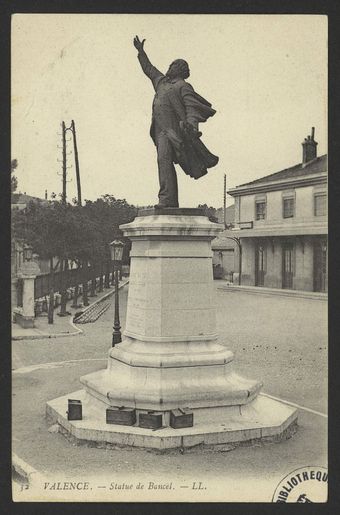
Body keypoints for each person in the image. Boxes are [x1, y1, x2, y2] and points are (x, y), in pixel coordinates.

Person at [133, 35, 219, 208]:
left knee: (163, 160)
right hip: (160, 132)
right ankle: (168, 200)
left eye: (172, 66)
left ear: (179, 69)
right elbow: (149, 70)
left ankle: (166, 199)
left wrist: (192, 127)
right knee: (162, 161)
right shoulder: (161, 83)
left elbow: (191, 109)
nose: (168, 68)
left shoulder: (183, 86)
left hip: (174, 133)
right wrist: (141, 52)